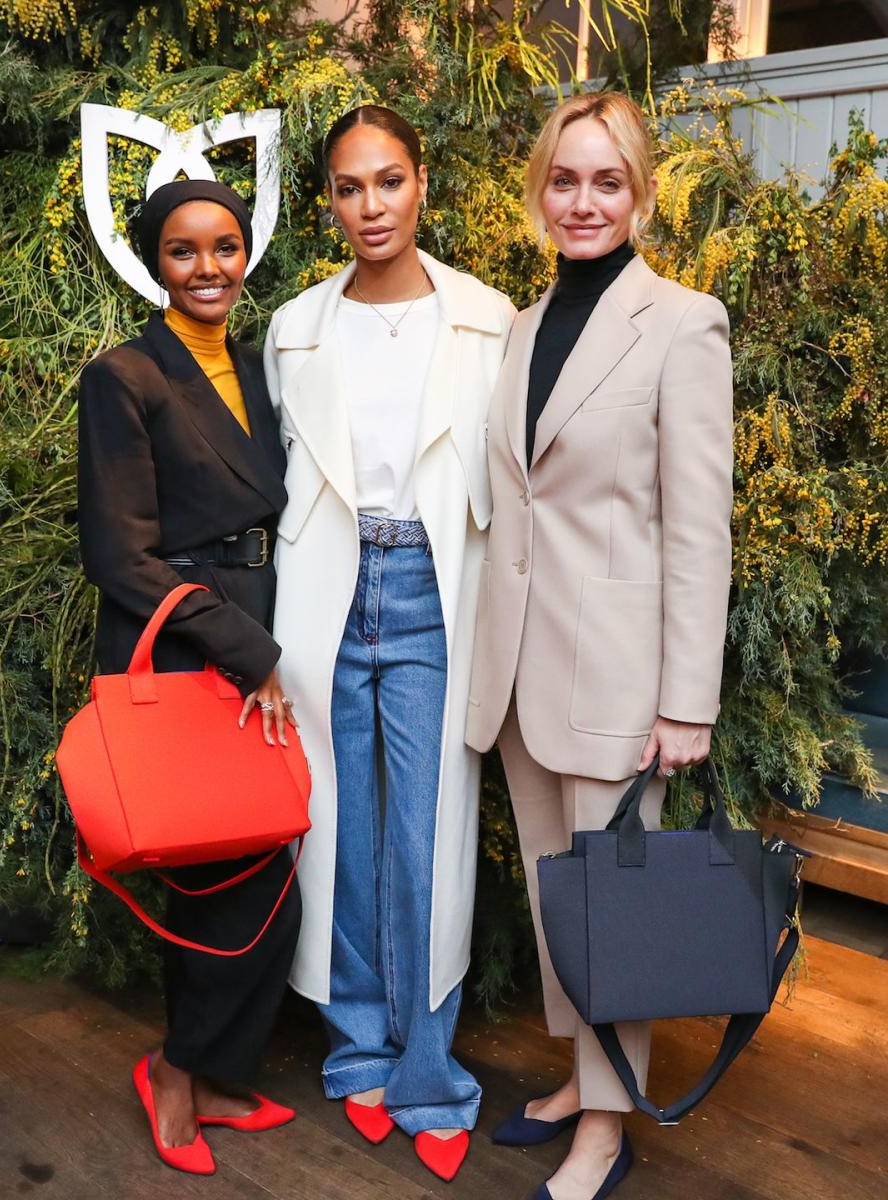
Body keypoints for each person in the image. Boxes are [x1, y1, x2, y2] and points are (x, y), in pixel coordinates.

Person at [465, 92, 734, 1200]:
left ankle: (606, 1130)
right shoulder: (527, 324)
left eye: (606, 181)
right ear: (542, 191)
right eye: (565, 180)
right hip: (524, 673)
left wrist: (687, 703)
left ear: (641, 193)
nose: (583, 201)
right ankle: (587, 1078)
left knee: (610, 911)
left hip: (621, 680)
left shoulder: (684, 321)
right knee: (551, 896)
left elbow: (697, 525)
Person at [264, 105, 515, 1182]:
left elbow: (512, 487)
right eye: (348, 187)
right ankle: (356, 1048)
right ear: (327, 200)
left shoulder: (488, 319)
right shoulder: (293, 327)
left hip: (432, 589)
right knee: (338, 831)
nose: (370, 205)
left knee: (427, 834)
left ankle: (429, 1073)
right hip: (326, 591)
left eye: (389, 181)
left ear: (423, 186)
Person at [78, 179, 301, 1176]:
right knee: (215, 876)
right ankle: (173, 1073)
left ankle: (216, 1075)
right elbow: (119, 553)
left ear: (245, 253)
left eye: (224, 246)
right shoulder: (123, 376)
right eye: (183, 250)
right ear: (152, 263)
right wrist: (245, 648)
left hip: (261, 631)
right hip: (189, 649)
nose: (207, 266)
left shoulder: (259, 369)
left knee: (271, 880)